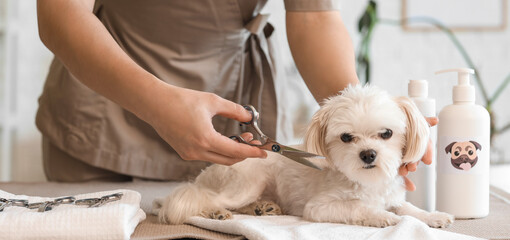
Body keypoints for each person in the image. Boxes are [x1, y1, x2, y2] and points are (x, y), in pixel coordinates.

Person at [36, 0, 432, 190]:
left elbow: (312, 16)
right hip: (107, 107)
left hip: (235, 108)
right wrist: (157, 105)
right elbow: (60, 15)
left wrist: (361, 119)